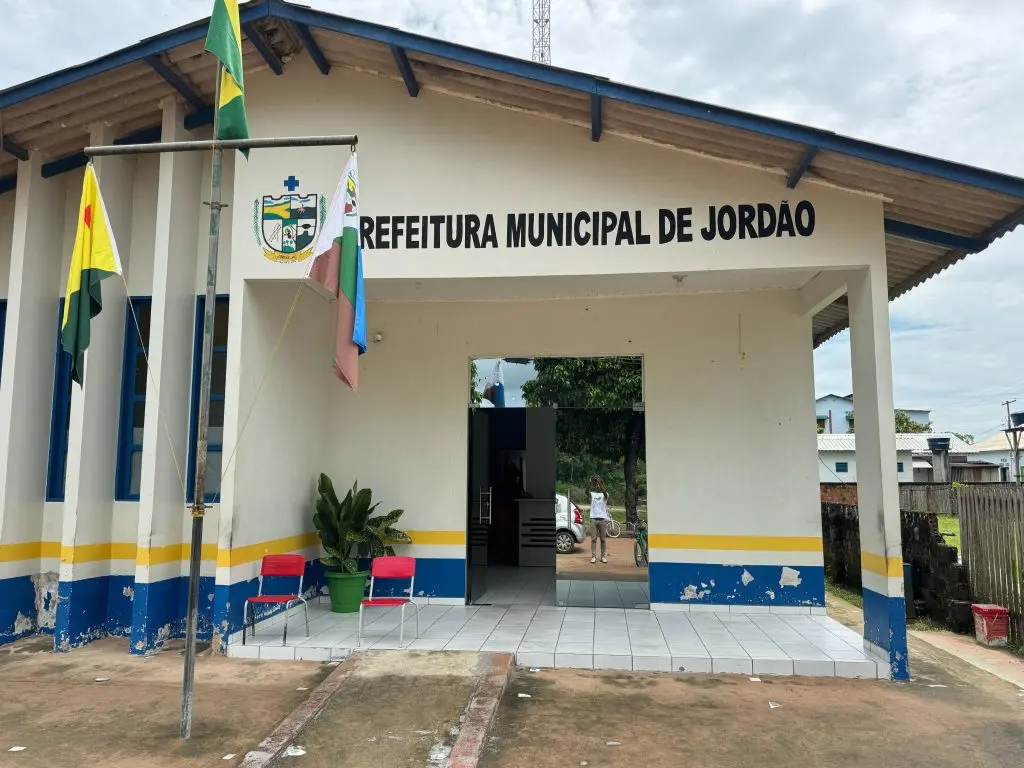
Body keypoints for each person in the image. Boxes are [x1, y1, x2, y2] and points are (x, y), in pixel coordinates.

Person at [588, 475, 610, 564]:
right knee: (593, 539)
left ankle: (603, 557)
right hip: (593, 519)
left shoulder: (605, 495)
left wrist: (599, 482)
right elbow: (586, 492)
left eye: (599, 484)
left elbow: (604, 492)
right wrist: (589, 484)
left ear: (602, 485)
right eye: (596, 484)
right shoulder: (593, 494)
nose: (597, 485)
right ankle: (593, 557)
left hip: (603, 519)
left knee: (603, 539)